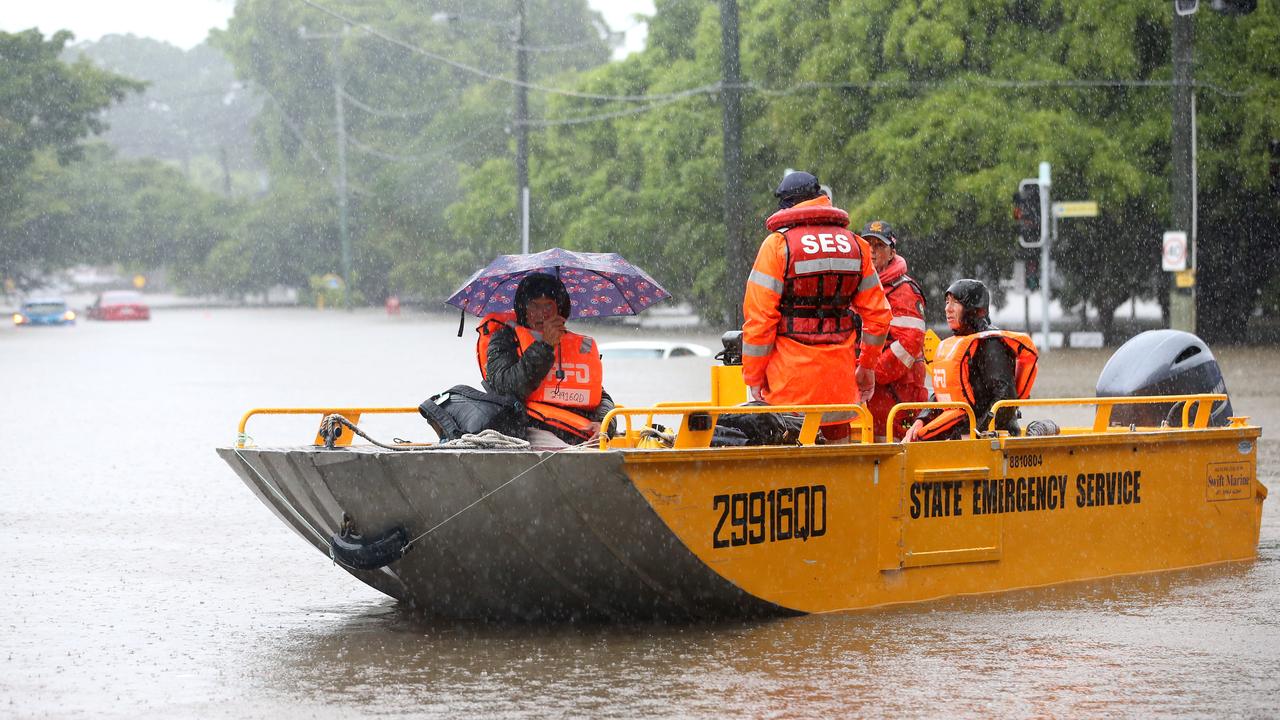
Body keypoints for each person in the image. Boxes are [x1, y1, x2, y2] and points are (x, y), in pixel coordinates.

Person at [742, 171, 893, 443]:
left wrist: (753, 376)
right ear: (819, 198)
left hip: (790, 388)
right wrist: (866, 366)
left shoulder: (778, 246)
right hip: (840, 385)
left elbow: (760, 320)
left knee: (794, 470)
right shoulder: (856, 246)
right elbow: (879, 316)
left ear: (786, 206)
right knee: (839, 464)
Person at [476, 273, 614, 447]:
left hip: (577, 434)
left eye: (548, 306)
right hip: (527, 430)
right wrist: (545, 347)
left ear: (560, 310)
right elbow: (505, 387)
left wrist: (604, 424)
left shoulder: (578, 345)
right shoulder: (505, 338)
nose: (541, 314)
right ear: (523, 309)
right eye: (534, 306)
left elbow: (600, 395)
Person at [904, 279, 1038, 442]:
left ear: (975, 309)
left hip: (991, 441)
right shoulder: (959, 344)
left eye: (956, 302)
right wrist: (921, 420)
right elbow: (946, 394)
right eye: (947, 302)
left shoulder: (990, 344)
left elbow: (1004, 399)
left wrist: (977, 433)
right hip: (962, 436)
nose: (948, 309)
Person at [860, 220, 929, 441]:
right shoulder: (863, 287)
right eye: (867, 244)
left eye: (879, 246)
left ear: (892, 253)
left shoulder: (904, 291)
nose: (872, 251)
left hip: (897, 395)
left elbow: (908, 346)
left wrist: (868, 371)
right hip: (873, 393)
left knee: (892, 455)